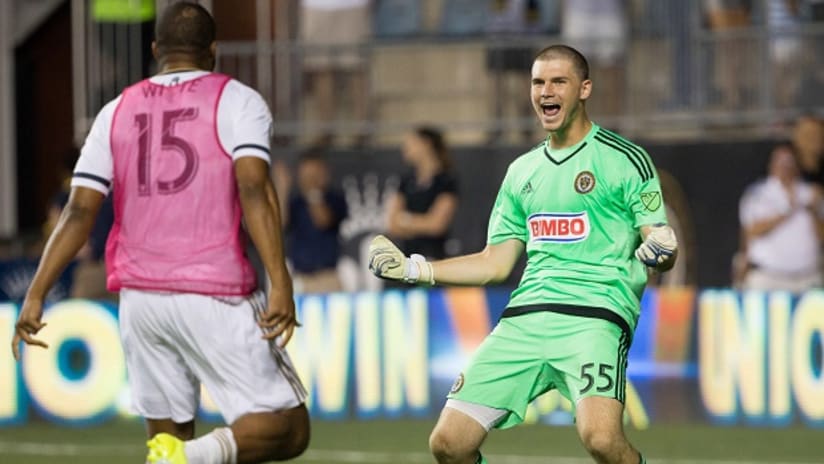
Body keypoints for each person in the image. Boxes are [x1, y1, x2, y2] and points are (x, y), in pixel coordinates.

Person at [11, 3, 309, 464]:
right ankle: (191, 457)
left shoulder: (115, 110)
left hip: (141, 300)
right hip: (214, 291)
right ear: (213, 51)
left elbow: (77, 210)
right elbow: (253, 186)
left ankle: (181, 456)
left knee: (167, 442)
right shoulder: (238, 100)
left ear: (155, 50)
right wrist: (280, 280)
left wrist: (36, 292)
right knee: (288, 430)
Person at [368, 44, 677, 464]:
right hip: (525, 320)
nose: (545, 92)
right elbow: (494, 262)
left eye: (558, 82)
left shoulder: (625, 160)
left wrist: (661, 248)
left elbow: (659, 240)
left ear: (584, 89)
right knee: (448, 443)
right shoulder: (521, 172)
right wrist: (412, 269)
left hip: (595, 317)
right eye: (538, 82)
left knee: (602, 440)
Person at [738, 143, 824, 292]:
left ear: (798, 164)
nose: (785, 166)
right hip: (768, 277)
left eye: (789, 161)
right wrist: (786, 211)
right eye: (780, 161)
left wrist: (813, 211)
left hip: (807, 277)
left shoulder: (811, 193)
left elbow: (821, 235)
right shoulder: (758, 193)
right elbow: (752, 230)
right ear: (771, 164)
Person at [386, 126, 459, 261]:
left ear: (426, 144)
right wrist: (422, 222)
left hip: (433, 259)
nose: (405, 149)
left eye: (411, 144)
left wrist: (405, 220)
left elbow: (436, 225)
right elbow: (393, 224)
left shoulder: (446, 182)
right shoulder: (405, 182)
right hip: (406, 259)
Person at [282, 150, 349, 294]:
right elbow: (281, 224)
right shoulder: (296, 202)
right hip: (301, 278)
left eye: (314, 173)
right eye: (305, 174)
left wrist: (313, 192)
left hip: (327, 277)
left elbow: (323, 220)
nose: (309, 178)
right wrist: (283, 188)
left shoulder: (334, 199)